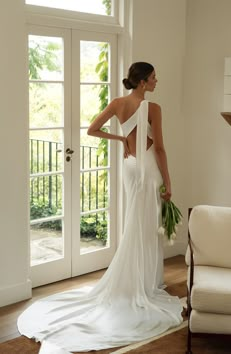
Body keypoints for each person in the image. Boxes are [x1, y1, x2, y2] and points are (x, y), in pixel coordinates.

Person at [17, 62, 183, 353]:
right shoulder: (153, 108)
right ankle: (143, 285)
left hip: (130, 166)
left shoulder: (118, 103)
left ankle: (140, 281)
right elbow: (160, 148)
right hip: (146, 165)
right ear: (143, 81)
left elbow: (93, 129)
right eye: (154, 77)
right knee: (144, 225)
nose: (157, 81)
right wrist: (169, 182)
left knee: (135, 221)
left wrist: (120, 137)